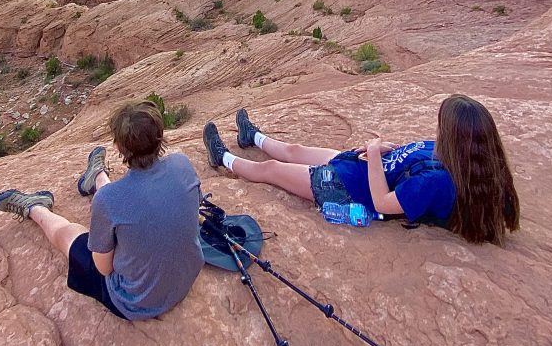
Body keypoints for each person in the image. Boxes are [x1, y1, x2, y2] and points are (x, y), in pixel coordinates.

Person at [203, 94, 520, 246]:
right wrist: (383, 151)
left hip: (344, 188)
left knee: (273, 169)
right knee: (294, 151)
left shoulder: (437, 183)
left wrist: (371, 151)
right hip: (360, 166)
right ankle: (252, 136)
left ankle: (224, 159)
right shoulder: (452, 159)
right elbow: (407, 160)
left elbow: (383, 202)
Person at [0, 100, 204, 319]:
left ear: (119, 147)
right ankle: (96, 176)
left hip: (137, 302)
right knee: (114, 203)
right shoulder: (182, 164)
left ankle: (36, 208)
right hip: (185, 278)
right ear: (161, 134)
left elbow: (103, 269)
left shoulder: (109, 200)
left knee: (70, 235)